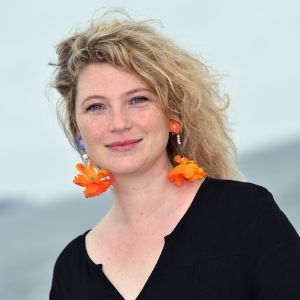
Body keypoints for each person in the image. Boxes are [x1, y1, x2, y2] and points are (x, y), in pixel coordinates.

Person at [49, 10, 300, 300]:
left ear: (173, 115)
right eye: (96, 107)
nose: (118, 123)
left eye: (138, 100)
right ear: (78, 130)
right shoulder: (70, 270)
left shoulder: (246, 214)